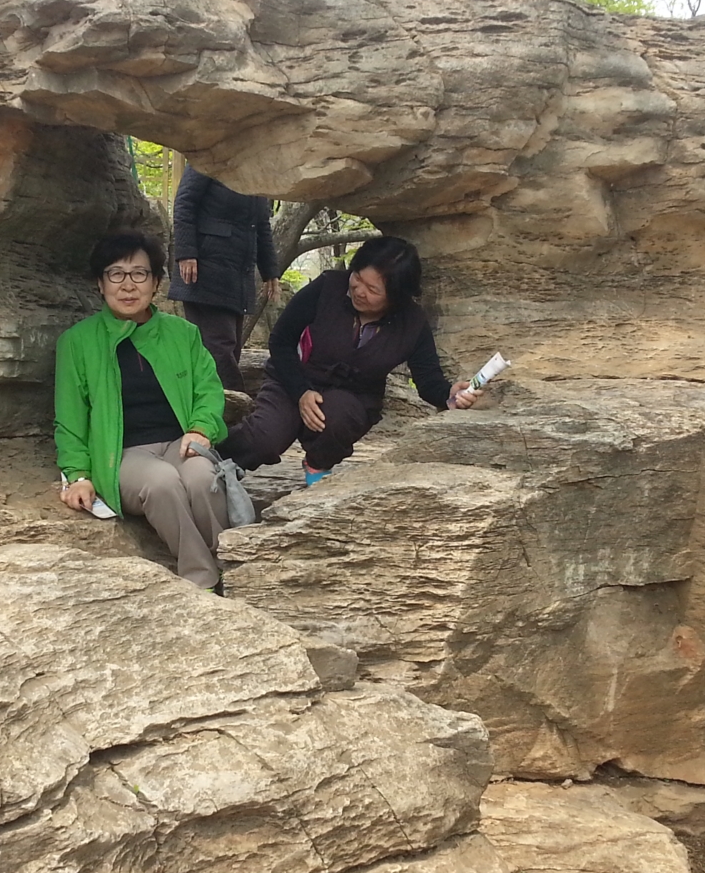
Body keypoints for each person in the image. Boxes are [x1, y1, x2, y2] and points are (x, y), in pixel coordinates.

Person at [221, 236, 480, 486]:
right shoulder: (327, 287)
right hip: (293, 381)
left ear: (396, 297)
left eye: (373, 289)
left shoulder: (412, 323)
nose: (359, 291)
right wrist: (301, 392)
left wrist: (448, 394)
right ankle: (214, 459)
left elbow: (428, 379)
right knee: (263, 439)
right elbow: (281, 341)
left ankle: (318, 465)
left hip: (352, 397)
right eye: (357, 278)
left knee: (338, 417)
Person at [55, 231, 230, 588]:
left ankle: (230, 561)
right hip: (122, 454)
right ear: (100, 283)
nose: (128, 285)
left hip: (179, 442)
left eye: (139, 273)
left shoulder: (183, 333)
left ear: (155, 282)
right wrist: (78, 474)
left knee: (202, 478)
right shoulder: (78, 341)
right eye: (115, 274)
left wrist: (201, 428)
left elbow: (209, 391)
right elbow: (69, 418)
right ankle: (202, 580)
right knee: (162, 483)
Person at [168, 163, 278, 392]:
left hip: (237, 276)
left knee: (230, 347)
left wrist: (270, 271)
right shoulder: (209, 159)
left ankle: (224, 403)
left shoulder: (258, 172)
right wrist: (186, 253)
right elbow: (184, 203)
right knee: (220, 347)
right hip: (205, 271)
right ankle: (234, 403)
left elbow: (261, 226)